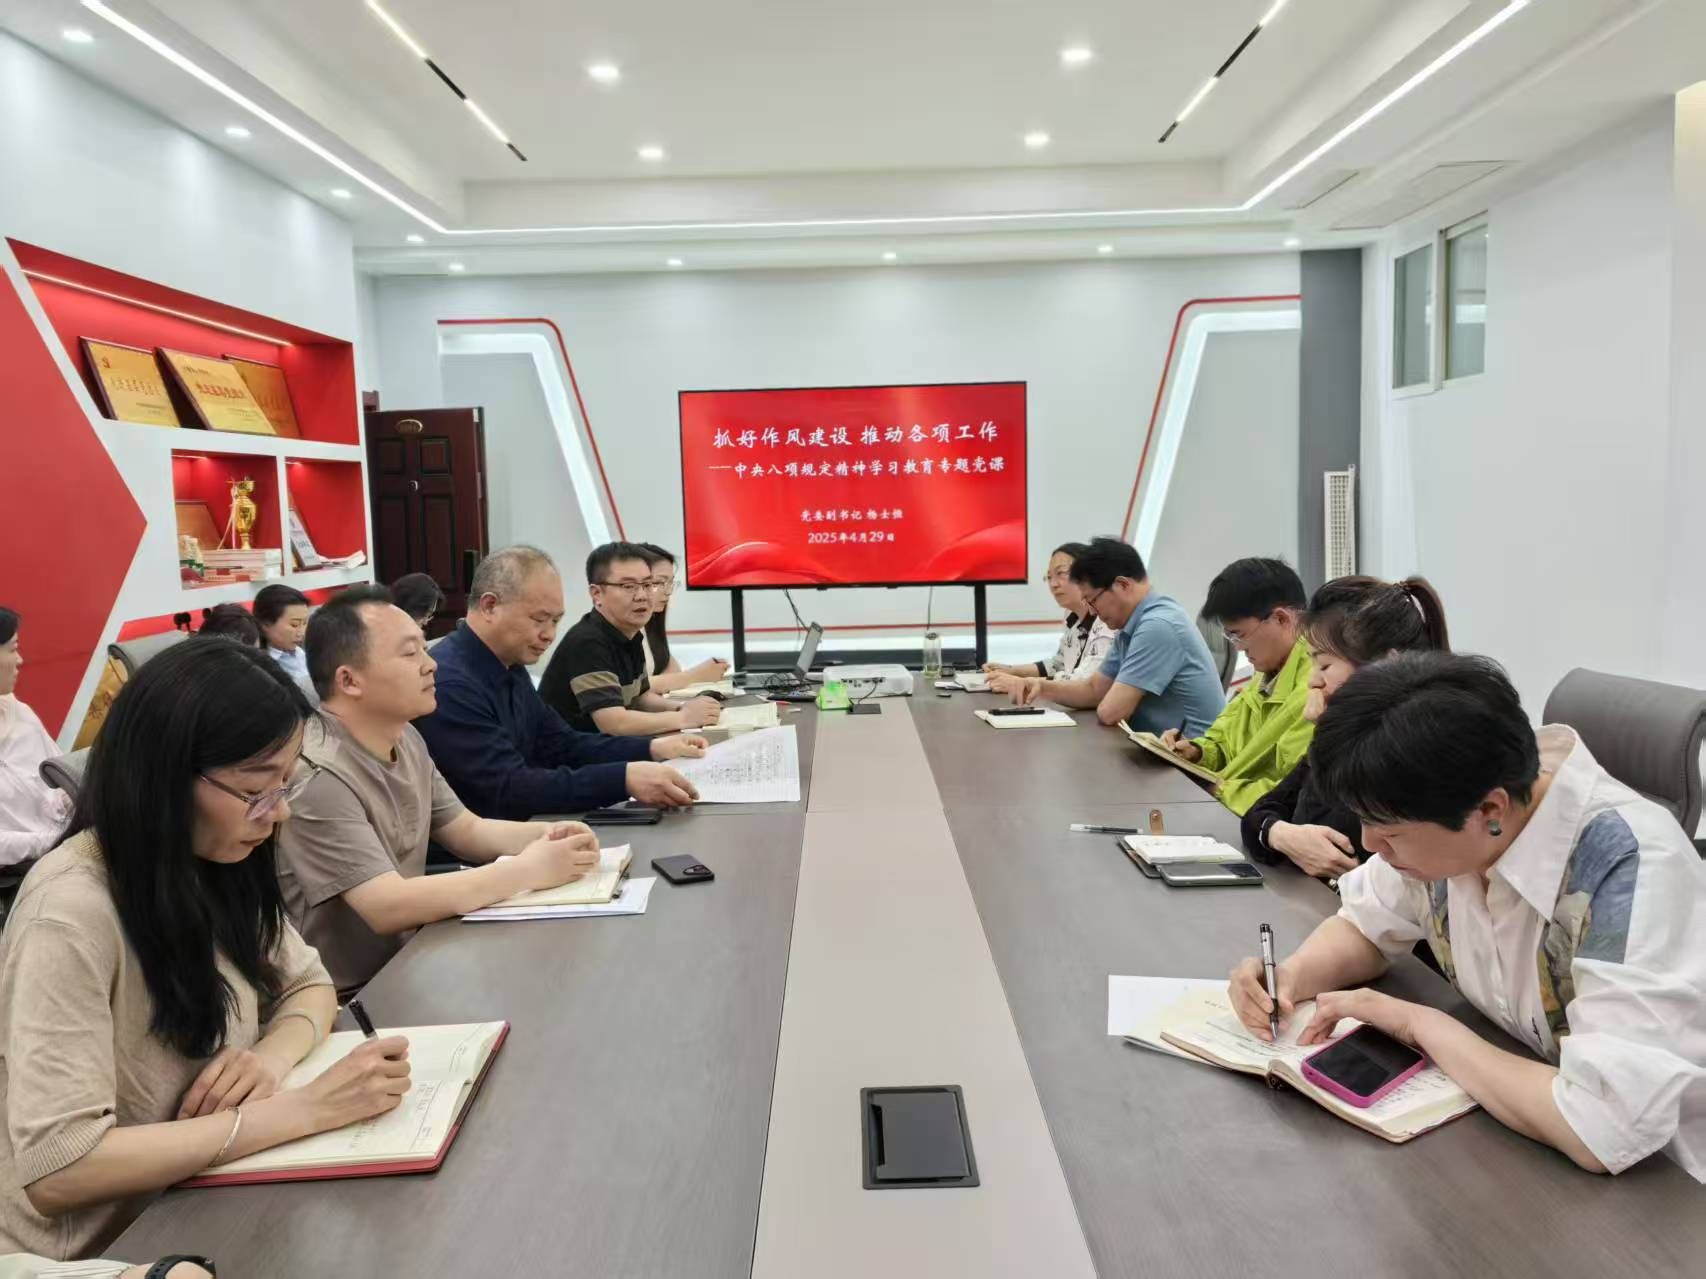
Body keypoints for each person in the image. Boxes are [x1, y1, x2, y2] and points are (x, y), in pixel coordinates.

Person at [0, 639, 412, 1259]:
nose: (278, 813)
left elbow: (308, 984)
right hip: (113, 1246)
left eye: (287, 784)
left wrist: (269, 1059)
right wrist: (303, 1109)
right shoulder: (68, 913)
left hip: (207, 1192)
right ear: (164, 777)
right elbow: (62, 1168)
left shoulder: (211, 858)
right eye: (257, 789)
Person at [1228, 653, 1706, 1179]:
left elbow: (1602, 1125)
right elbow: (1365, 923)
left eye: (1389, 831)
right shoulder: (1447, 809)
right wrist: (1290, 977)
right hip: (1518, 1116)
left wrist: (1418, 1024)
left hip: (1667, 1184)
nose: (1369, 844)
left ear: (1491, 811)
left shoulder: (1630, 867)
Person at [276, 586, 605, 995]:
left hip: (410, 961)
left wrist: (548, 835)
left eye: (424, 648)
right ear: (349, 680)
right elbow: (386, 905)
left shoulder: (405, 737)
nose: (431, 664)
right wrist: (527, 870)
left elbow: (466, 830)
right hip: (348, 995)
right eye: (410, 653)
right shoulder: (318, 775)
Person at [416, 545, 706, 819]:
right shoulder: (451, 684)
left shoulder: (509, 664)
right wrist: (623, 779)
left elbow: (562, 743)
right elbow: (508, 789)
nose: (549, 635)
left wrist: (652, 749)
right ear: (490, 606)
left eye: (555, 621)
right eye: (539, 619)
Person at [1242, 576, 1450, 878]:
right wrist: (1280, 834)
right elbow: (1260, 813)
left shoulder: (1418, 757)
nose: (1313, 681)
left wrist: (1328, 734)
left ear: (1386, 667)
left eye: (1324, 666)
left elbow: (1337, 837)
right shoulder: (1346, 737)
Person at [1001, 537, 1223, 735]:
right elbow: (1093, 689)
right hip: (1153, 748)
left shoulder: (1158, 626)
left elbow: (1110, 711)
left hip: (1187, 761)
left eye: (1093, 600)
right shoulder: (1131, 624)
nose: (1092, 612)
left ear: (1122, 585)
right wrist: (1040, 686)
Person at [1157, 557, 1311, 815]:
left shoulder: (1316, 690)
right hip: (1236, 811)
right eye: (1230, 636)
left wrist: (1220, 790)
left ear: (1281, 619)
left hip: (1261, 821)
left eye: (1239, 634)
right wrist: (1196, 752)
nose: (1238, 648)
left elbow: (1293, 793)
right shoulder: (1270, 670)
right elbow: (1227, 741)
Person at [539, 543, 723, 735]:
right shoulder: (588, 642)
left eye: (648, 585)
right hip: (566, 752)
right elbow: (614, 723)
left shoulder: (630, 634)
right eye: (628, 586)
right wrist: (684, 717)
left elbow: (639, 699)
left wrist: (683, 708)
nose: (642, 596)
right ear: (597, 594)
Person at [984, 543, 1116, 694]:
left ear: (1087, 575)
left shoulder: (1107, 620)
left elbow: (1086, 683)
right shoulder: (1071, 616)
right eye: (1049, 577)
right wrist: (1012, 670)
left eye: (1061, 573)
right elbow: (1059, 665)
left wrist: (1022, 683)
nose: (1053, 584)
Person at [0, 608, 73, 875]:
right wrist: (53, 842)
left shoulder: (19, 713)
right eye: (12, 649)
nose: (19, 660)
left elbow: (64, 773)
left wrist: (74, 800)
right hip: (29, 874)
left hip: (70, 844)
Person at [635, 545, 731, 694]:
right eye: (659, 583)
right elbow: (630, 687)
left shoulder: (650, 623)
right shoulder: (615, 630)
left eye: (670, 583)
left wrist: (704, 672)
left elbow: (672, 673)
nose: (668, 592)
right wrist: (694, 676)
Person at [253, 584, 314, 701]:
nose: (302, 632)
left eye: (305, 623)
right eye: (294, 625)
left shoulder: (300, 652)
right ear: (265, 624)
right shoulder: (260, 668)